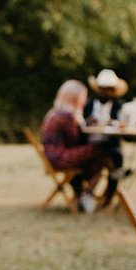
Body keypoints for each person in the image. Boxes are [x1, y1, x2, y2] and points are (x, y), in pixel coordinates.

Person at [41, 80, 120, 211]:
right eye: (82, 98)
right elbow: (75, 140)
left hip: (53, 157)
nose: (84, 101)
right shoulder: (66, 116)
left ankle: (83, 194)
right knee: (103, 151)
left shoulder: (56, 112)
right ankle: (87, 194)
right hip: (61, 158)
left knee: (101, 154)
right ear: (75, 99)